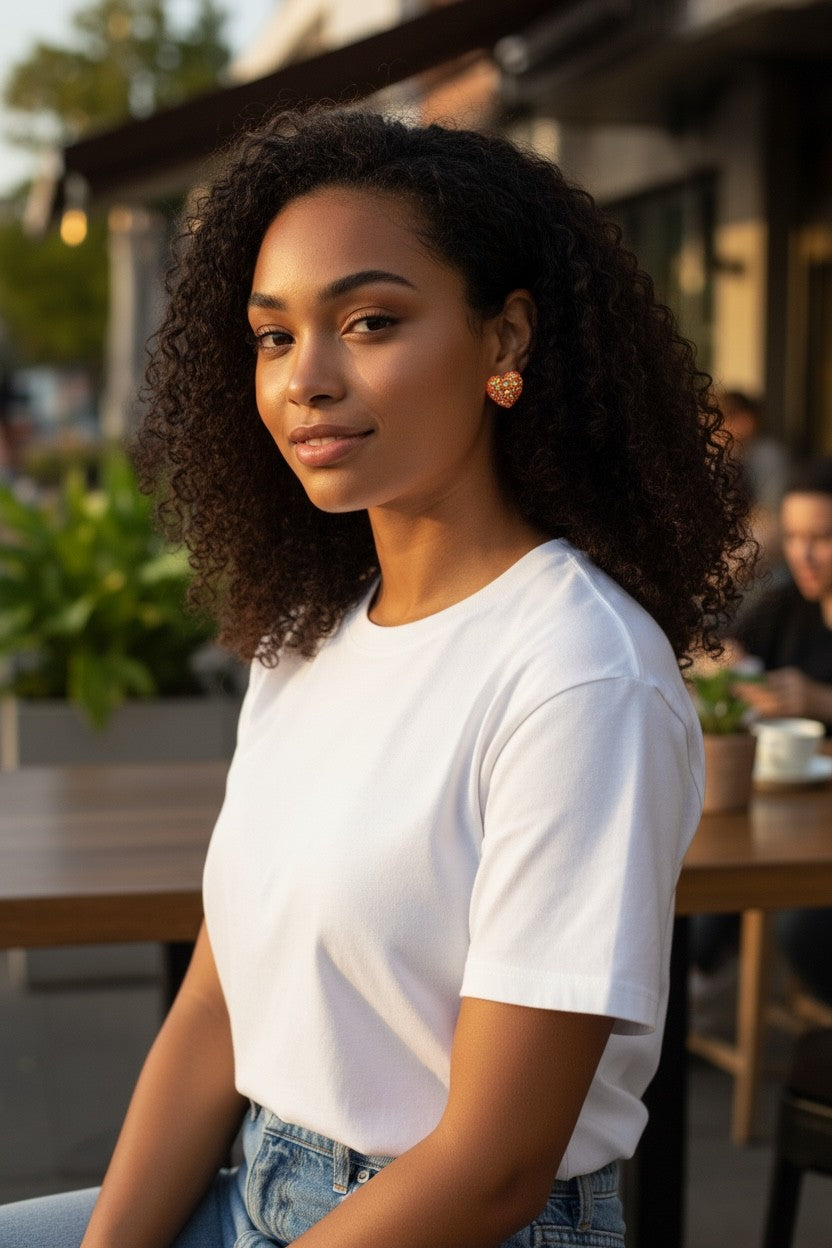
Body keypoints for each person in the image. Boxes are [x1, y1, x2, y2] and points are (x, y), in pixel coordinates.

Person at [0, 108, 747, 1248]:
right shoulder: (308, 636)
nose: (308, 379)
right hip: (260, 1183)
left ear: (503, 343)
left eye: (369, 321)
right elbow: (215, 1005)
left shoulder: (580, 675)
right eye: (273, 336)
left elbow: (493, 1167)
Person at [729, 458, 832, 1005]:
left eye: (821, 537)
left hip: (817, 841)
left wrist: (816, 699)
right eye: (794, 537)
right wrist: (732, 666)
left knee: (800, 928)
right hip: (780, 815)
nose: (804, 555)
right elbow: (725, 649)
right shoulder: (787, 606)